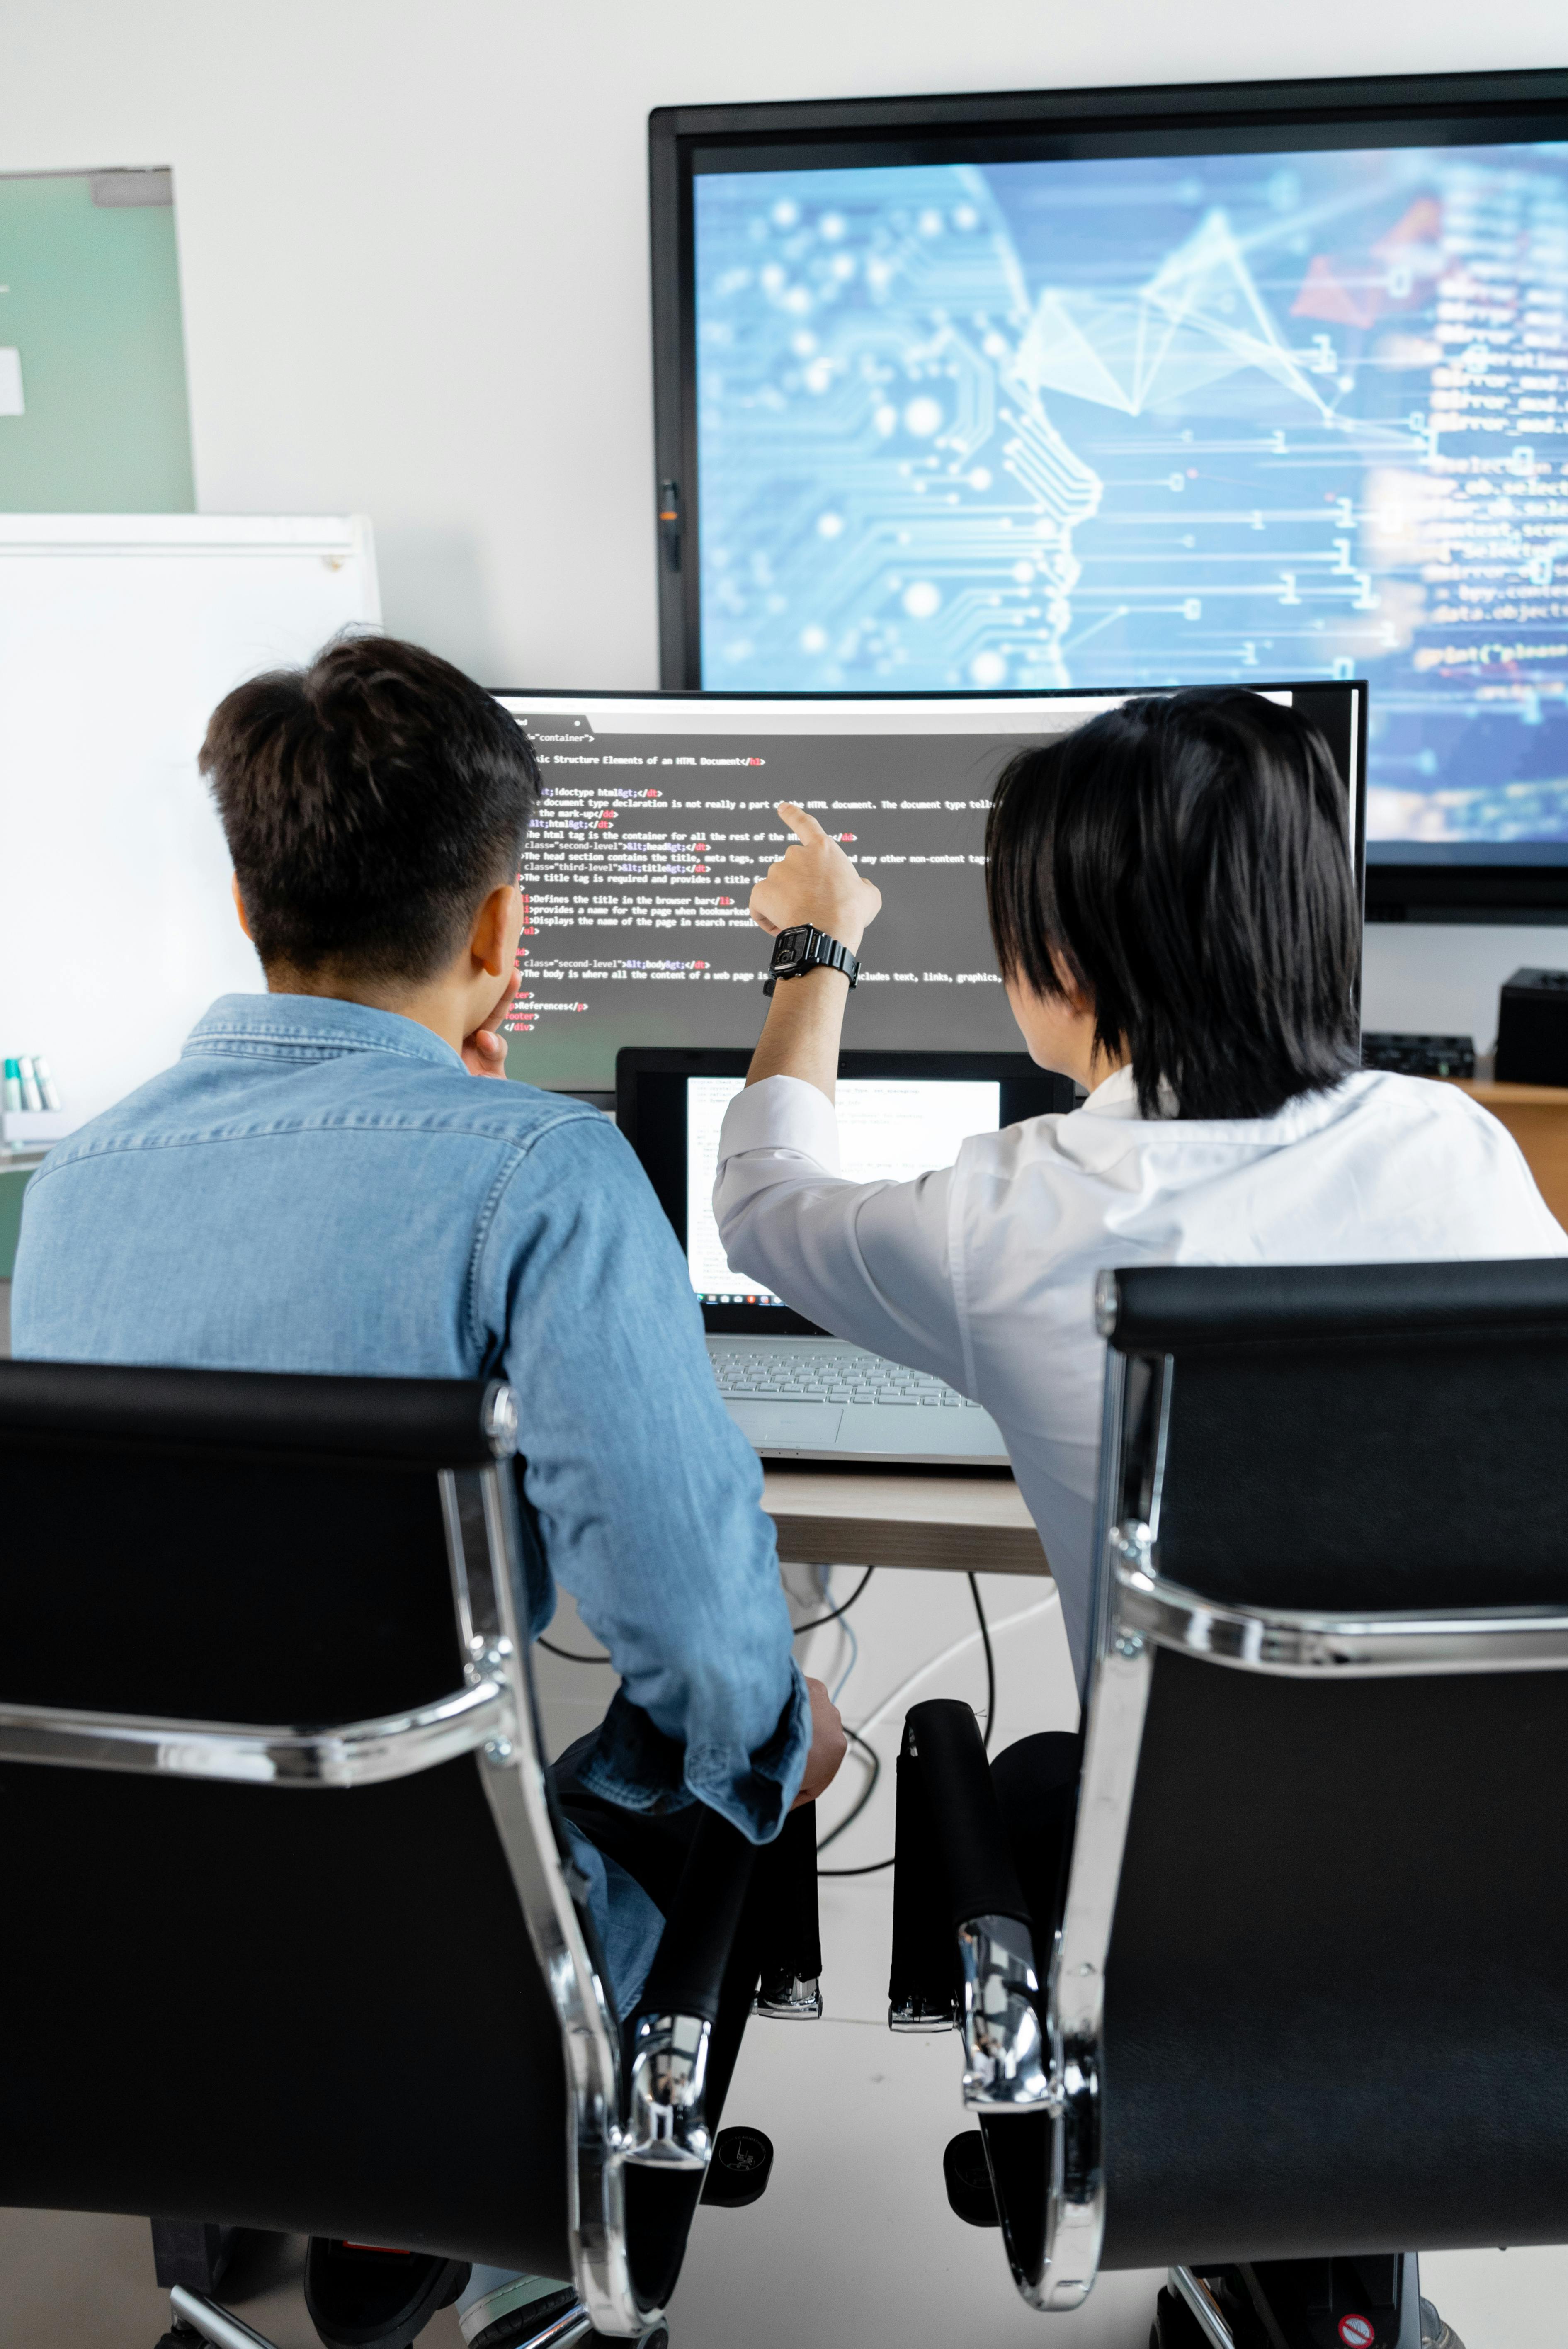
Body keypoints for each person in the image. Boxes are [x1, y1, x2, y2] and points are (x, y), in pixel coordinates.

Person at [10, 632, 845, 2349]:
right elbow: (691, 1637)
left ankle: (278, 2190)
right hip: (441, 1995)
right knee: (745, 1728)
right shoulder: (544, 1174)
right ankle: (472, 2208)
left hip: (126, 1968)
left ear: (249, 909)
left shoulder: (77, 1186)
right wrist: (783, 1738)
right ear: (498, 930)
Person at [714, 685, 1568, 1688]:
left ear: (1064, 969)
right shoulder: (1454, 1141)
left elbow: (762, 1200)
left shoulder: (1004, 1219)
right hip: (1499, 1823)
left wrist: (817, 946)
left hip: (1177, 1833)